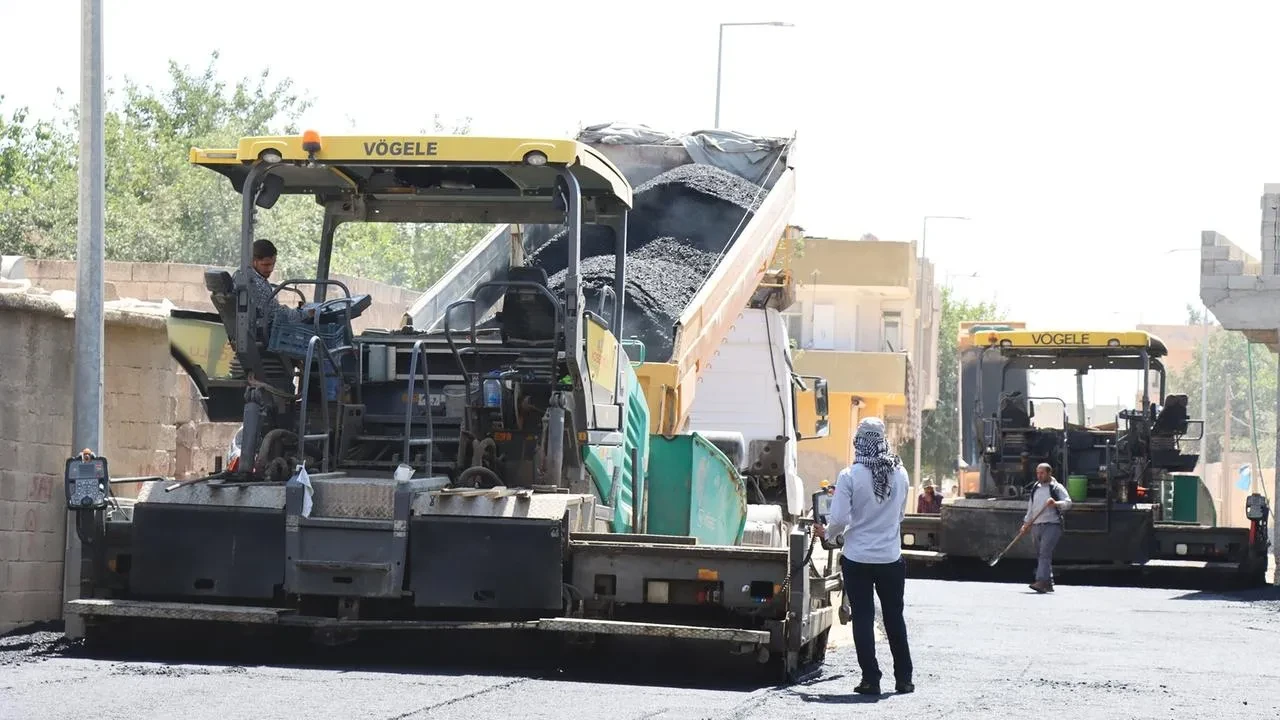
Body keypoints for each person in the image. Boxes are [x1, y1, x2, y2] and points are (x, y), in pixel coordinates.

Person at [816, 417, 913, 695]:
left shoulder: (849, 475)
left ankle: (871, 679)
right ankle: (904, 679)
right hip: (890, 558)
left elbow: (839, 519)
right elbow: (900, 515)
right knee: (894, 617)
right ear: (883, 441)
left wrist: (827, 534)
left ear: (859, 442)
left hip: (857, 558)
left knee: (863, 618)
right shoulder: (901, 474)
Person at [231, 238, 310, 336]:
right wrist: (306, 313)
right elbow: (280, 315)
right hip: (266, 332)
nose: (270, 269)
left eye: (273, 264)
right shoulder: (255, 284)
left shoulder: (240, 273)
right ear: (253, 261)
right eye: (266, 265)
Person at [1021, 462, 1073, 593]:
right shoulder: (1035, 487)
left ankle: (1041, 581)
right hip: (1036, 525)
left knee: (1044, 552)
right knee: (1041, 555)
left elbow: (1068, 503)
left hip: (1052, 525)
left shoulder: (1056, 487)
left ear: (1049, 473)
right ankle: (1048, 583)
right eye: (1037, 473)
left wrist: (1055, 503)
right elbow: (1031, 507)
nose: (1039, 476)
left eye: (1042, 473)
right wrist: (1026, 523)